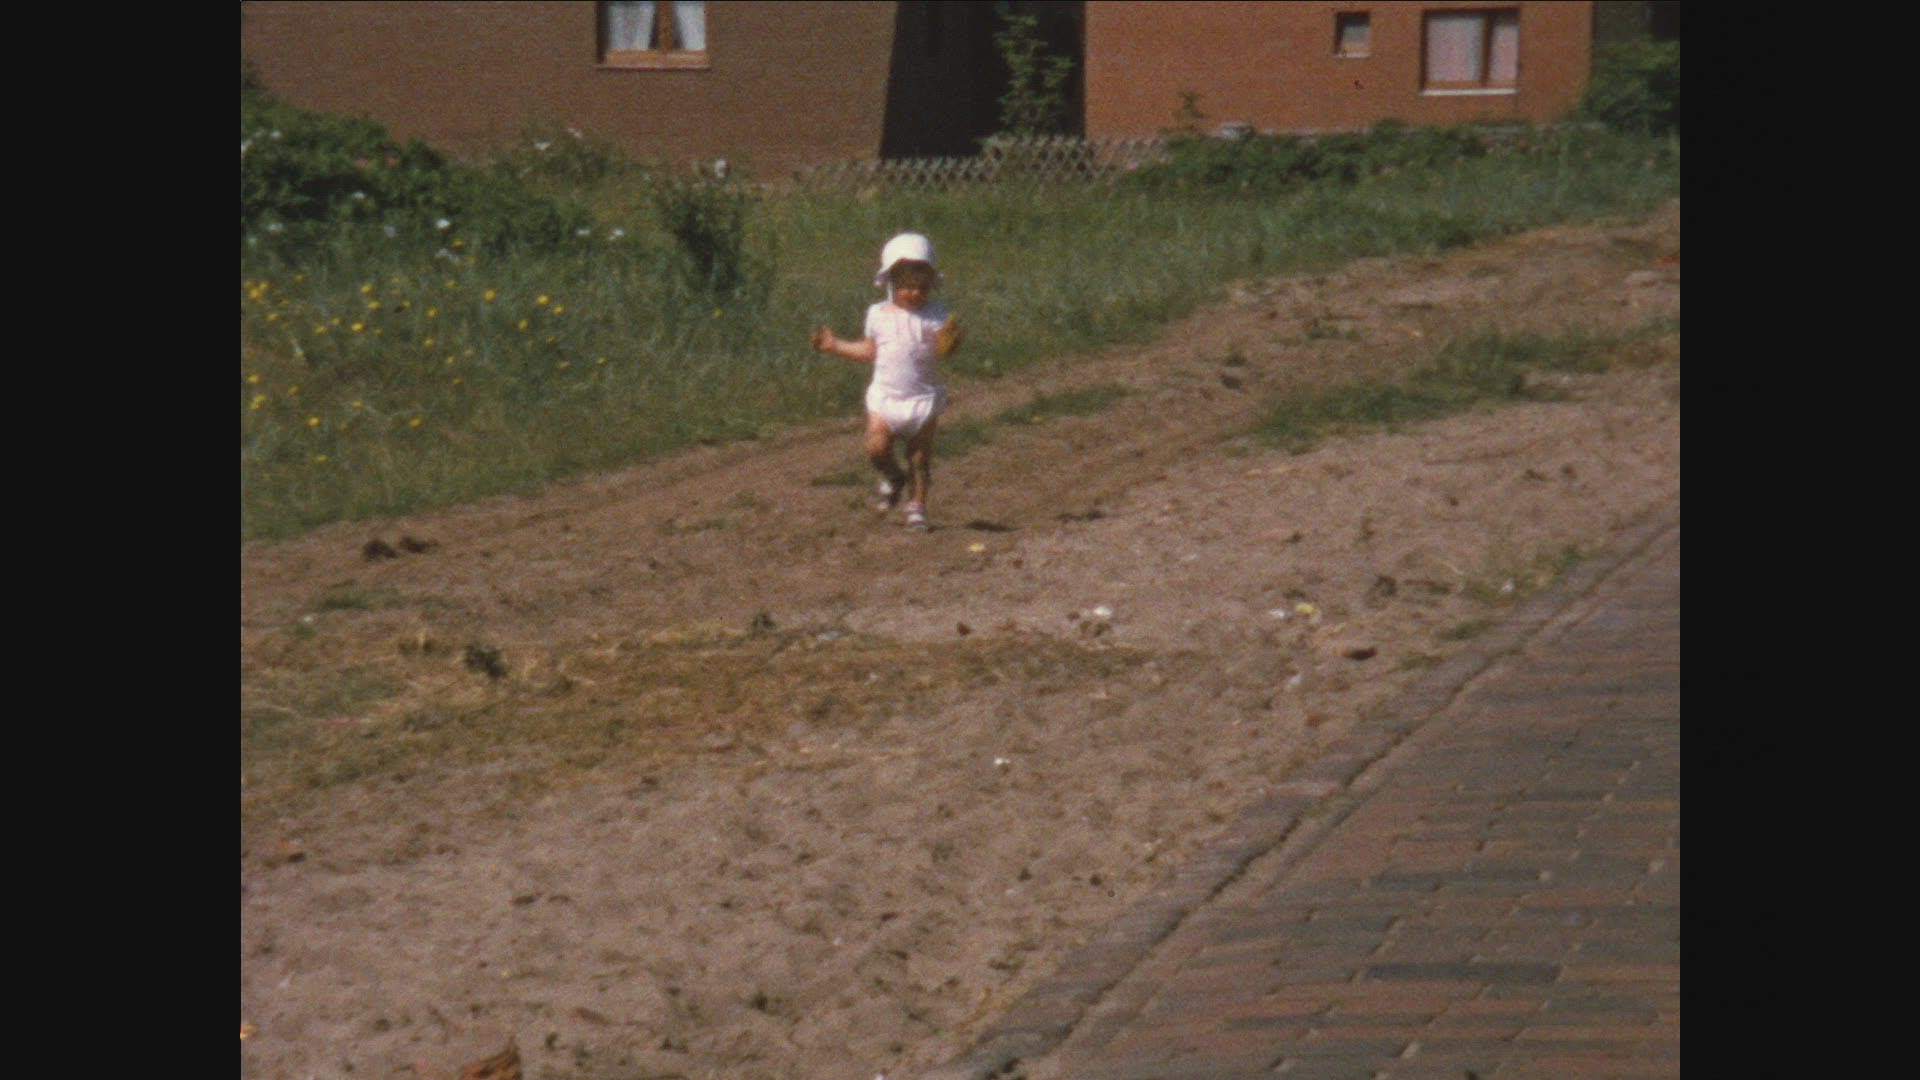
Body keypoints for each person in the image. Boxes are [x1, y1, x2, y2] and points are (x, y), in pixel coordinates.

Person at [811, 232, 963, 531]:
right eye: (906, 286)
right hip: (886, 397)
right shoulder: (877, 314)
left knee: (919, 457)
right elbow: (869, 351)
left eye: (921, 287)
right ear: (890, 282)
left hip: (921, 398)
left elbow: (944, 349)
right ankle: (894, 476)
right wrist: (835, 345)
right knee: (876, 448)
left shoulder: (935, 315)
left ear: (931, 284)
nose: (914, 293)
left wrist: (951, 341)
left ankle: (917, 507)